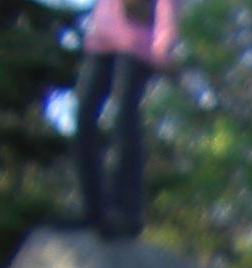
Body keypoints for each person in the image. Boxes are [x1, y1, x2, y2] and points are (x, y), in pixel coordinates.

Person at [74, 0, 177, 242]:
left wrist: (165, 41)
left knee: (123, 119)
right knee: (83, 117)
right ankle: (92, 208)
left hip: (138, 40)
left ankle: (125, 210)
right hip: (102, 38)